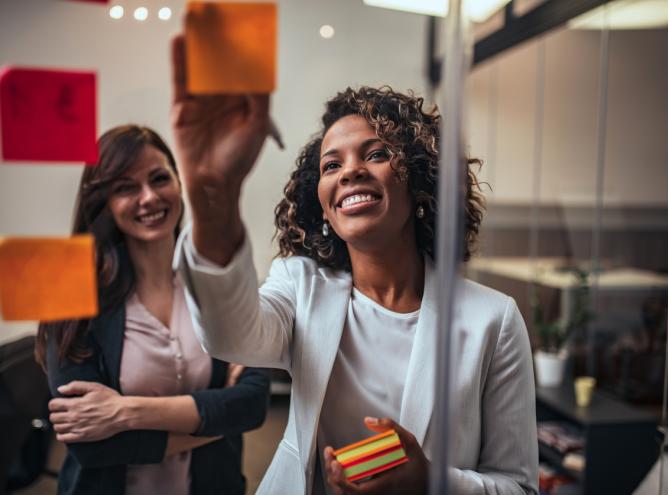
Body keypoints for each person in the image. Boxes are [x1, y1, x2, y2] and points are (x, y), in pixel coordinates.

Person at [169, 35, 538, 495]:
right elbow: (229, 336)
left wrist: (429, 484)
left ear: (420, 181)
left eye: (377, 154)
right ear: (323, 207)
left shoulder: (494, 320)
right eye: (330, 165)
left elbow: (519, 487)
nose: (349, 172)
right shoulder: (298, 286)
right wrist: (214, 196)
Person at [34, 125, 270, 495]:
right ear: (104, 201)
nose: (149, 198)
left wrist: (123, 412)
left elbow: (254, 402)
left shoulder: (213, 283)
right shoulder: (67, 297)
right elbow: (92, 445)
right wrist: (218, 417)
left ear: (179, 182)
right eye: (126, 187)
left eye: (159, 178)